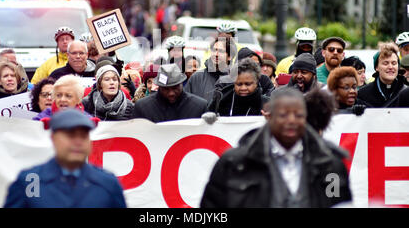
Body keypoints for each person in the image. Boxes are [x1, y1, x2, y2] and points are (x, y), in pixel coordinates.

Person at [200, 87, 352, 208]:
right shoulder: (235, 163)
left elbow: (340, 203)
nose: (291, 120)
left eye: (298, 115)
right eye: (283, 115)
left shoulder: (330, 164)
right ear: (269, 116)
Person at [3, 109, 126, 208]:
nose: (78, 142)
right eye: (70, 135)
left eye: (83, 136)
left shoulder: (108, 183)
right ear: (53, 138)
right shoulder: (29, 182)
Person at [133, 64, 208, 123]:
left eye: (175, 88)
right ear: (159, 86)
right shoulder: (143, 107)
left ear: (181, 83)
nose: (171, 93)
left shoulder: (199, 107)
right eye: (166, 89)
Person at [185, 36, 237, 102]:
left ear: (230, 56)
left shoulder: (235, 79)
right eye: (214, 50)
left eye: (221, 51)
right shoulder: (197, 77)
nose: (216, 54)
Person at [358, 43, 406, 108]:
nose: (390, 67)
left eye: (394, 63)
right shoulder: (363, 94)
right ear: (377, 67)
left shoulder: (406, 92)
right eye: (385, 63)